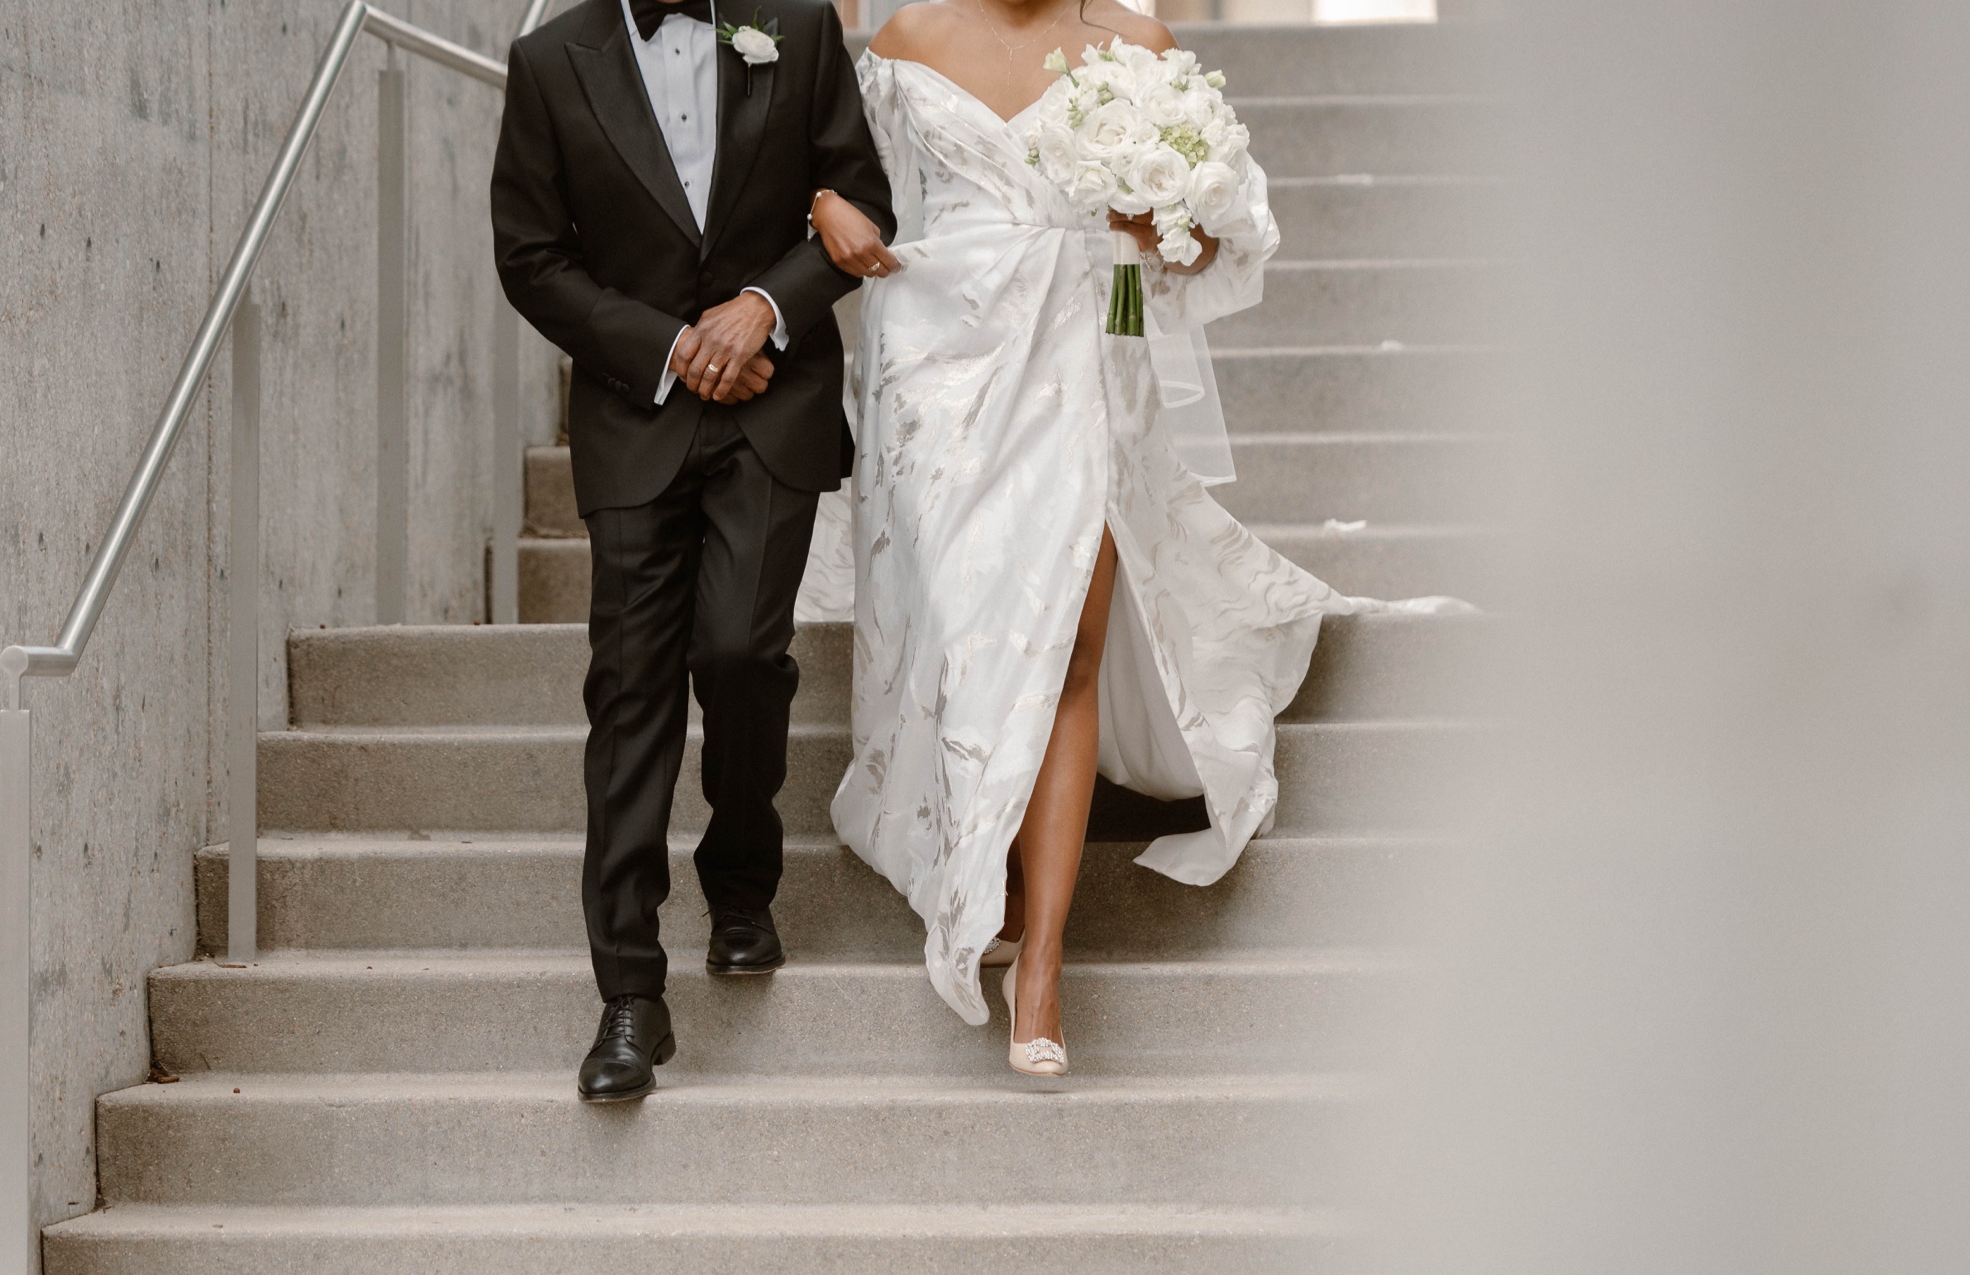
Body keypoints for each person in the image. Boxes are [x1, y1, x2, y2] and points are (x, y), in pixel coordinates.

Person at [807, 0, 1467, 1076]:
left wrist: (1166, 217)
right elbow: (825, 168)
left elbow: (1211, 231)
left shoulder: (1140, 50)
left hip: (1083, 349)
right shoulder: (901, 40)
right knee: (969, 630)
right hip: (936, 364)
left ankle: (1043, 963)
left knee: (1068, 644)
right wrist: (826, 201)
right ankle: (992, 866)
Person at [492, 0, 897, 1103]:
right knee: (629, 694)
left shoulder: (795, 26)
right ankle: (629, 994)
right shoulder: (546, 61)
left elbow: (862, 200)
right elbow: (530, 258)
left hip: (775, 403)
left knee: (735, 653)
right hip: (637, 414)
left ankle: (741, 874)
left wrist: (765, 305)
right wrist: (671, 343)